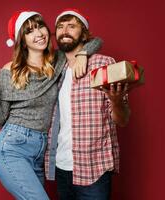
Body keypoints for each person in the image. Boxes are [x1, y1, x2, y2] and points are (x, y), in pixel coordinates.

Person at [0, 10, 101, 200]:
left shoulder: (57, 61)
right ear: (22, 40)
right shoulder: (10, 71)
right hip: (12, 147)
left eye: (40, 26)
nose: (39, 34)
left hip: (40, 152)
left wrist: (83, 54)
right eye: (30, 31)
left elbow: (97, 41)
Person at [44, 8, 131, 200]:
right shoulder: (55, 70)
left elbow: (123, 120)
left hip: (94, 168)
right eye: (60, 26)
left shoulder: (104, 64)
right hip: (60, 166)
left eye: (71, 26)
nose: (64, 30)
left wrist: (116, 102)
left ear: (84, 35)